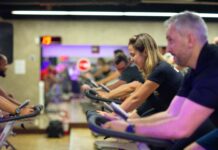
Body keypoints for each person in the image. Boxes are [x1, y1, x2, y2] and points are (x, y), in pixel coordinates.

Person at [103, 11, 218, 150]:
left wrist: (129, 127)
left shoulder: (212, 66)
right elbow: (171, 113)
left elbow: (182, 127)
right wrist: (126, 121)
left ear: (190, 39)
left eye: (171, 40)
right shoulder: (193, 71)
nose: (168, 48)